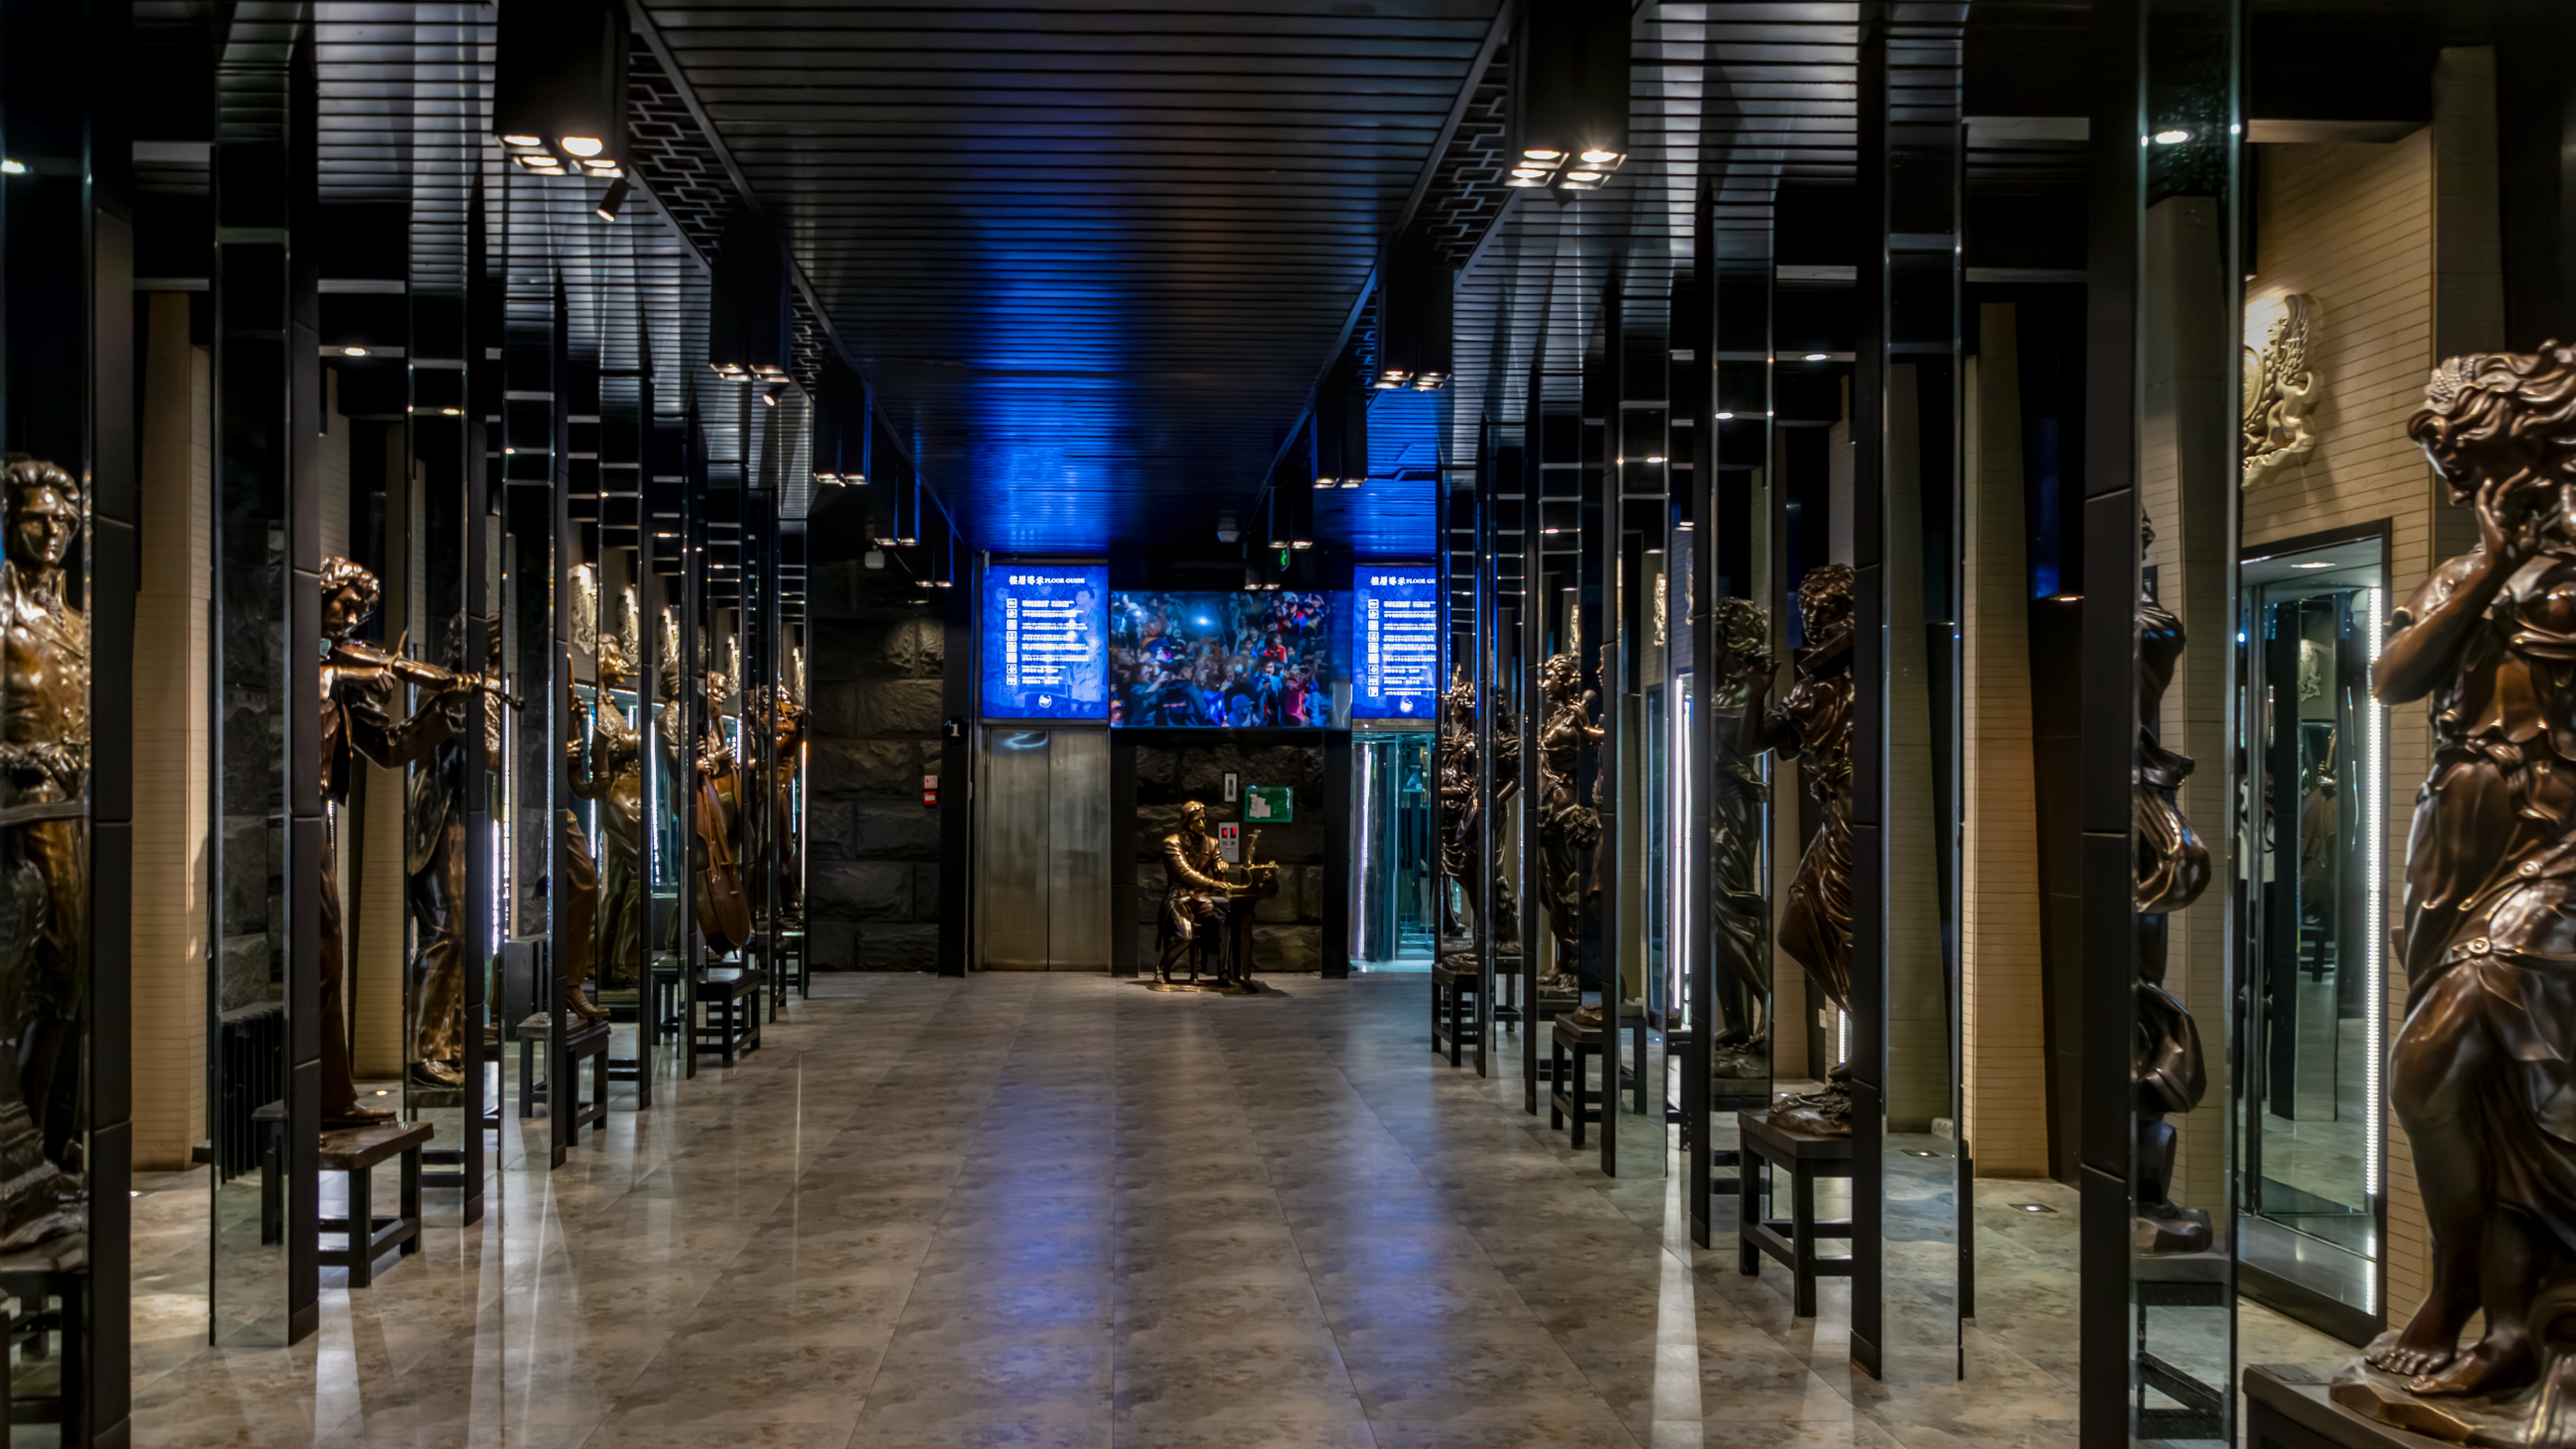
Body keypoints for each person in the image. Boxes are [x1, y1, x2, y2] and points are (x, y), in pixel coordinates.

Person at [2365, 346, 2576, 1399]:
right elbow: (2389, 676)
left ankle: (2508, 1309)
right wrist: (2489, 561)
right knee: (2481, 1093)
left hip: (2554, 853)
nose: (2451, 469)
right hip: (2449, 854)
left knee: (2434, 1069)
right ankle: (2483, 1306)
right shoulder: (2464, 571)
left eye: (2462, 448)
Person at [320, 559, 484, 1126]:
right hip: (285, 816)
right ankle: (329, 1098)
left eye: (359, 610)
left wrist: (443, 708)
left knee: (328, 960)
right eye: (343, 603)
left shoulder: (343, 674)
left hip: (316, 817)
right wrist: (346, 676)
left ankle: (332, 1099)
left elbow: (390, 747)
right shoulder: (310, 663)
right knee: (324, 957)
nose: (350, 618)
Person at [0, 458, 88, 1245]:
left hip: (75, 810)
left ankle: (51, 1148)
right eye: (37, 517)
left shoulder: (74, 622)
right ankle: (23, 1155)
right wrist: (21, 760)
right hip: (23, 812)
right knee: (45, 978)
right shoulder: (3, 616)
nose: (53, 530)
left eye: (64, 520)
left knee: (73, 978)